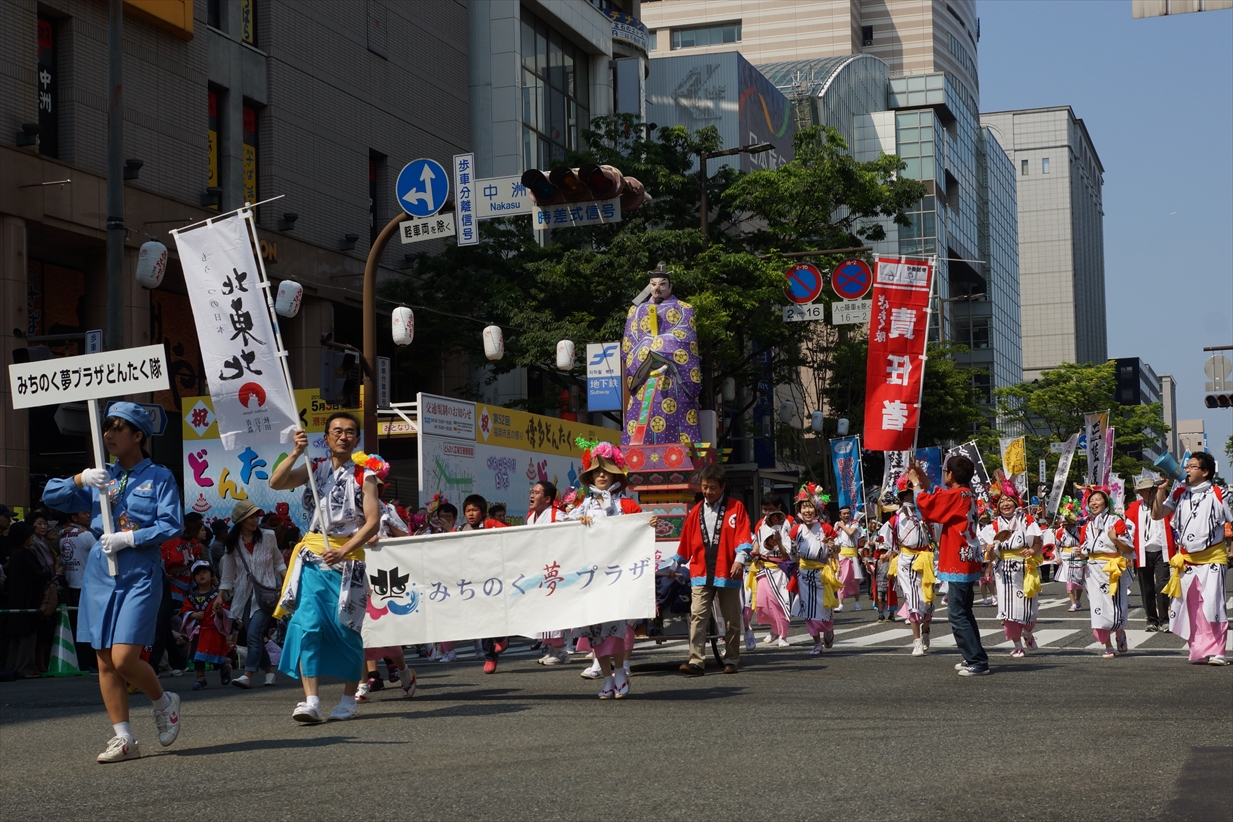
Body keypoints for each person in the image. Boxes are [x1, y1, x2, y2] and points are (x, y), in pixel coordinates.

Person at [42, 402, 185, 762]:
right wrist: (81, 479)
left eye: (118, 428)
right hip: (99, 572)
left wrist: (131, 538)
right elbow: (49, 497)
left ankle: (164, 702)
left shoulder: (159, 477)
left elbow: (172, 524)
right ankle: (124, 739)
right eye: (107, 428)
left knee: (124, 658)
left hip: (138, 570)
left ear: (138, 435)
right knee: (104, 660)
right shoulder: (101, 476)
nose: (109, 435)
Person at [268, 413, 380, 723]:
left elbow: (372, 521)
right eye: (336, 432)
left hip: (349, 561)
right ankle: (311, 700)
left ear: (356, 440)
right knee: (309, 625)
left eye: (349, 433)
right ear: (327, 438)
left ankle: (348, 699)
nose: (343, 437)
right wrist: (294, 452)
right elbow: (276, 482)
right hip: (313, 559)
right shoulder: (313, 467)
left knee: (347, 630)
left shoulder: (365, 476)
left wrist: (343, 550)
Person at [568, 441, 656, 698]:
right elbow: (565, 536)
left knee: (616, 629)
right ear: (591, 476)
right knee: (595, 631)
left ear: (616, 475)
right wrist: (578, 523)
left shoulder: (627, 505)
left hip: (617, 576)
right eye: (597, 471)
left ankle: (620, 673)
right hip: (590, 578)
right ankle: (607, 678)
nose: (602, 475)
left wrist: (648, 522)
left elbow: (641, 528)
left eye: (606, 471)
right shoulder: (581, 508)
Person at [908, 455, 989, 676]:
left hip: (958, 558)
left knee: (957, 613)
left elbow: (927, 505)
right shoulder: (965, 493)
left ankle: (977, 660)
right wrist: (920, 474)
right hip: (967, 556)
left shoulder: (956, 495)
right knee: (964, 611)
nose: (944, 476)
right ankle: (973, 656)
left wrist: (915, 483)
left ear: (951, 475)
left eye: (946, 472)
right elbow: (937, 494)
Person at [671, 464, 752, 676]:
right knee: (698, 616)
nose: (708, 492)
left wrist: (740, 559)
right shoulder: (696, 511)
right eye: (705, 487)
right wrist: (675, 564)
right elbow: (686, 543)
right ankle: (696, 660)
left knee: (731, 619)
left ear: (723, 486)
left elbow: (743, 536)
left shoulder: (736, 507)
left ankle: (732, 658)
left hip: (728, 570)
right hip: (701, 570)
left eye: (712, 487)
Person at [1152, 452, 1231, 665]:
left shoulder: (1219, 493)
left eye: (1192, 466)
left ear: (1205, 472)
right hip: (1187, 560)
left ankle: (1218, 651)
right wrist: (1161, 492)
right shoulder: (1178, 493)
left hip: (1212, 558)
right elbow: (1157, 514)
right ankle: (1198, 650)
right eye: (1186, 466)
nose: (1187, 470)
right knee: (1192, 606)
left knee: (1213, 605)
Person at [622, 262, 702, 445]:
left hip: (674, 374)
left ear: (670, 286)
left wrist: (657, 346)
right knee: (642, 417)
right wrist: (646, 347)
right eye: (653, 284)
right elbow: (629, 343)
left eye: (662, 284)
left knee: (678, 418)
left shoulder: (684, 308)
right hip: (644, 374)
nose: (657, 288)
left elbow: (685, 336)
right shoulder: (635, 311)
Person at [358, 467, 417, 701]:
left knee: (387, 634)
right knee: (358, 631)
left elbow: (406, 538)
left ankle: (404, 673)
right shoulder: (346, 510)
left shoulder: (386, 510)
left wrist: (382, 538)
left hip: (384, 576)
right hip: (357, 573)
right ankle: (362, 684)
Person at [218, 499, 286, 689]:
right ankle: (269, 672)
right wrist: (220, 595)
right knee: (253, 635)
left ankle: (248, 674)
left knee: (255, 632)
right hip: (243, 595)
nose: (255, 520)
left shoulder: (268, 536)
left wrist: (286, 580)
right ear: (241, 520)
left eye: (256, 516)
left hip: (266, 595)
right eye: (250, 517)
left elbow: (278, 561)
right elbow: (228, 574)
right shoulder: (233, 543)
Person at [981, 482, 1043, 658]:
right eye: (1001, 501)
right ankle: (1017, 645)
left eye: (1008, 500)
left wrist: (1031, 550)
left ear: (1016, 502)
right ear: (997, 505)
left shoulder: (1028, 520)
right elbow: (991, 558)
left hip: (1025, 567)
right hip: (1004, 570)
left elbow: (1038, 542)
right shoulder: (992, 526)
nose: (1005, 504)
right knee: (1007, 609)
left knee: (1030, 610)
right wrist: (991, 549)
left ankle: (1028, 633)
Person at [882, 479, 936, 656]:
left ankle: (926, 631)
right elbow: (889, 542)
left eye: (911, 494)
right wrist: (891, 558)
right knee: (912, 601)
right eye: (905, 495)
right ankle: (917, 641)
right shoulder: (896, 519)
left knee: (927, 602)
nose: (908, 498)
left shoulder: (926, 514)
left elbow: (936, 535)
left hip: (925, 559)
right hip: (905, 560)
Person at [150, 515, 206, 677]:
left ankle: (153, 665)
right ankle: (178, 663)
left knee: (160, 623)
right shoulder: (174, 540)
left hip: (173, 587)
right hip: (166, 585)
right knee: (163, 625)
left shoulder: (191, 545)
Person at [1079, 487, 1132, 659]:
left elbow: (1129, 548)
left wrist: (1115, 538)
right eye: (1091, 500)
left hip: (1112, 568)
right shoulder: (1086, 526)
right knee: (1097, 608)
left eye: (1098, 499)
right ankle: (1107, 645)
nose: (1094, 503)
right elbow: (1083, 550)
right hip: (1092, 570)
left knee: (1116, 606)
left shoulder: (1116, 521)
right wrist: (1080, 553)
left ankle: (1120, 631)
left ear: (1106, 502)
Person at [1119, 478, 1175, 632]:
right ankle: (1151, 620)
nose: (1147, 493)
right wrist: (1127, 553)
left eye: (1150, 490)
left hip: (1162, 551)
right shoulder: (1133, 508)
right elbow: (1128, 532)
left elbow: (1176, 527)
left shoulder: (1166, 507)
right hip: (1142, 552)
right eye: (1144, 491)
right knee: (1146, 587)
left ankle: (1165, 620)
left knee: (1162, 586)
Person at [788, 485, 839, 657]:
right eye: (803, 507)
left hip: (821, 574)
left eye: (810, 506)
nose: (807, 510)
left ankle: (829, 629)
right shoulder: (796, 530)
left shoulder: (825, 528)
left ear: (816, 508)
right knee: (808, 610)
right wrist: (788, 548)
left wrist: (834, 547)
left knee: (824, 609)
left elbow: (836, 550)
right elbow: (793, 555)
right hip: (803, 574)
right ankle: (817, 643)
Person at [525, 481, 571, 665]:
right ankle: (551, 648)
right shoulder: (530, 517)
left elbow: (570, 535)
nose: (532, 495)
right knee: (543, 610)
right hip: (539, 570)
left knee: (556, 609)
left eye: (536, 492)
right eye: (532, 491)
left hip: (556, 569)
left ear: (547, 499)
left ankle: (561, 652)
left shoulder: (557, 515)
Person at [3, 521, 48, 678]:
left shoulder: (15, 553)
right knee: (27, 636)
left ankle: (12, 668)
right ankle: (24, 669)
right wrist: (48, 573)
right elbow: (37, 576)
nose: (32, 537)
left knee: (16, 637)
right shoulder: (23, 554)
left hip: (16, 600)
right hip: (27, 600)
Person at [746, 499, 793, 649]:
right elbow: (757, 544)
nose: (767, 513)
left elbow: (786, 553)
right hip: (763, 568)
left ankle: (783, 635)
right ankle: (774, 628)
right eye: (765, 510)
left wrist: (778, 542)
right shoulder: (761, 526)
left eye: (770, 509)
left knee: (780, 602)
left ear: (778, 509)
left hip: (779, 569)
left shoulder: (785, 525)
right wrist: (753, 553)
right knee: (762, 602)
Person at [180, 560, 232, 689]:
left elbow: (226, 612)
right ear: (194, 578)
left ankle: (224, 667)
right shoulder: (191, 597)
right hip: (199, 631)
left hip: (214, 631)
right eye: (198, 574)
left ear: (212, 575)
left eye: (204, 572)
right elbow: (184, 610)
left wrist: (220, 612)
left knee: (216, 658)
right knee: (197, 657)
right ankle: (200, 678)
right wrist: (193, 615)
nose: (201, 575)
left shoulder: (217, 596)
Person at [57, 507, 98, 670]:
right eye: (84, 513)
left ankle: (83, 662)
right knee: (91, 628)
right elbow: (102, 553)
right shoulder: (86, 535)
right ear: (74, 517)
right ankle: (92, 663)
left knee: (78, 627)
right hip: (87, 586)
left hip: (71, 585)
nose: (88, 515)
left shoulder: (63, 536)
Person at [1053, 504, 1085, 611]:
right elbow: (1056, 546)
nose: (1068, 525)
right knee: (1069, 581)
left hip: (1078, 557)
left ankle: (1079, 600)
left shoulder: (1080, 530)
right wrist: (1057, 557)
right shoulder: (1060, 532)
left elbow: (1085, 543)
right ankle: (1073, 603)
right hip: (1066, 558)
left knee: (1079, 581)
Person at [834, 505, 864, 612]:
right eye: (844, 513)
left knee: (854, 580)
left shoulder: (854, 523)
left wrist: (842, 526)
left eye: (848, 513)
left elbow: (851, 532)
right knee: (841, 579)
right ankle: (841, 604)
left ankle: (857, 602)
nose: (846, 515)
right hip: (842, 554)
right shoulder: (837, 525)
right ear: (840, 515)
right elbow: (835, 541)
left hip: (852, 554)